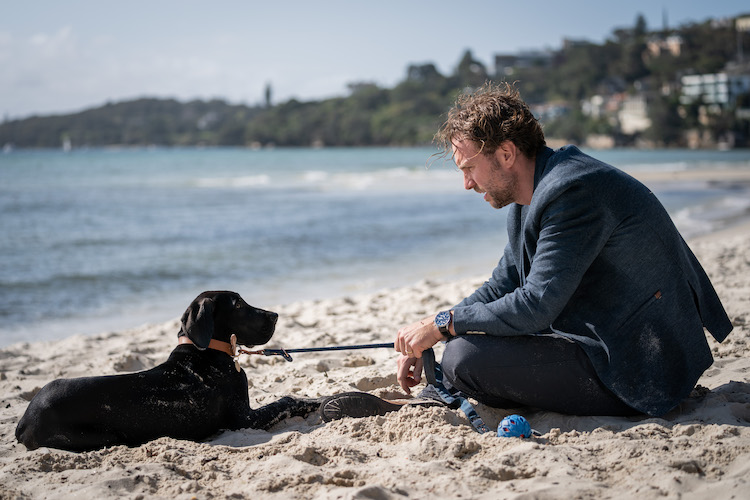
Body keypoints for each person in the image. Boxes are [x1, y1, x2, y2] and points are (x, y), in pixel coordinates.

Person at [322, 82, 732, 422]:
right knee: (460, 345)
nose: (466, 184)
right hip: (610, 338)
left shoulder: (573, 192)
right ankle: (441, 388)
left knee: (464, 356)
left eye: (468, 168)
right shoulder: (533, 194)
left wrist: (446, 326)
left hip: (644, 368)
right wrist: (433, 327)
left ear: (505, 153)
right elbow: (504, 284)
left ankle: (443, 389)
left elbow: (536, 303)